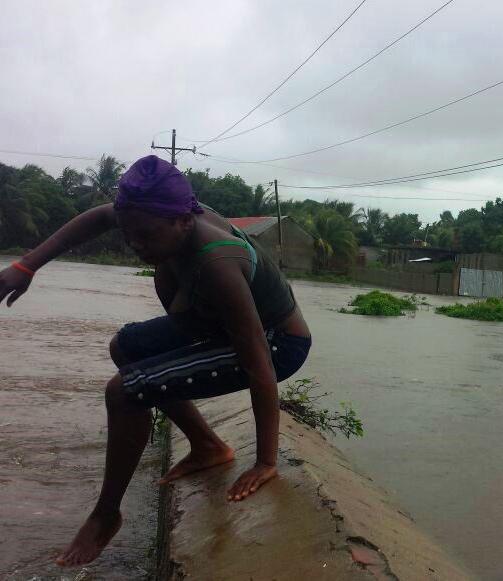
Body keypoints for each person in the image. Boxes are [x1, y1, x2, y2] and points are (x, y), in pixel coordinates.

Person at [0, 156, 312, 567]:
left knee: (126, 390)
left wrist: (266, 461)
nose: (136, 245)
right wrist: (26, 265)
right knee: (125, 347)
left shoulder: (217, 263)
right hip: (217, 320)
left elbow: (258, 362)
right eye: (129, 234)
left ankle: (106, 514)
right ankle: (207, 446)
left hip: (277, 343)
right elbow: (96, 218)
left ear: (184, 221)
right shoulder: (161, 214)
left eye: (145, 236)